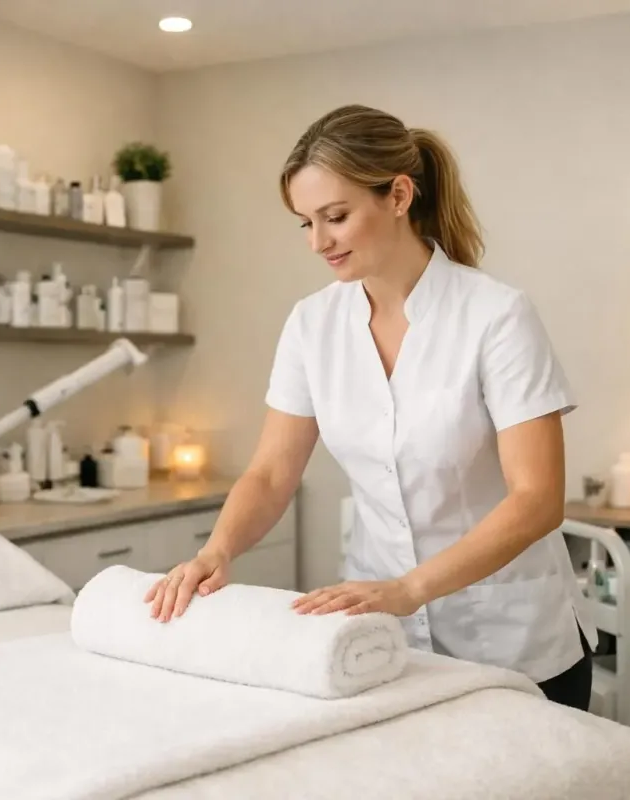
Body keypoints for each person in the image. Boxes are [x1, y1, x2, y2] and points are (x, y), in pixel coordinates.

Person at [143, 103, 597, 711]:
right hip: (385, 641)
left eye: (336, 217)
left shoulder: (496, 316)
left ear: (399, 196)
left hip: (512, 641)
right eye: (306, 223)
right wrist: (216, 551)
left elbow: (537, 499)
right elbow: (272, 473)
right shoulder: (312, 324)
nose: (318, 242)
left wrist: (411, 588)